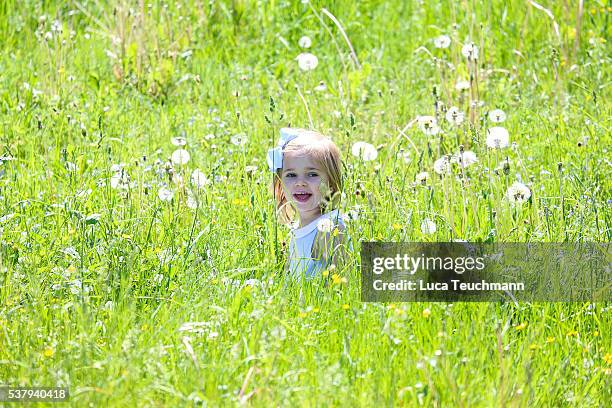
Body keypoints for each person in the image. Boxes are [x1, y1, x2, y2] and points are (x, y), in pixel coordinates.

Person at [268, 128, 350, 280]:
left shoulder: (330, 227)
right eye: (291, 175)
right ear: (280, 182)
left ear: (331, 183)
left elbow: (344, 280)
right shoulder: (296, 228)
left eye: (312, 174)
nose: (300, 183)